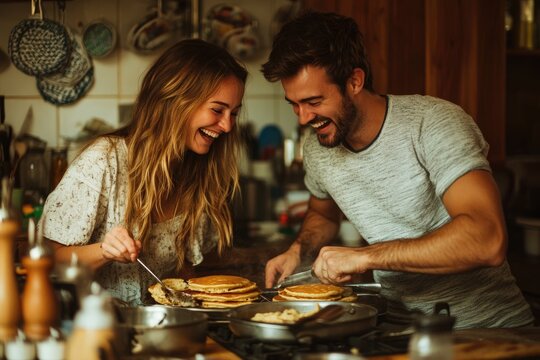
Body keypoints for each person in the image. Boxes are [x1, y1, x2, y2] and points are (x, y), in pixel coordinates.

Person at [262, 11, 533, 329]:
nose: (303, 118)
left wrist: (366, 256)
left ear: (354, 81)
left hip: (490, 331)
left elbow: (487, 238)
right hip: (402, 331)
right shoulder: (317, 148)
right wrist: (298, 251)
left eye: (314, 101)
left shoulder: (432, 123)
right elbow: (323, 215)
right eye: (293, 104)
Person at [40, 39, 247, 305]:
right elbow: (45, 261)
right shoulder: (104, 161)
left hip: (163, 331)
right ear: (174, 101)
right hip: (94, 331)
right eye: (218, 110)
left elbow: (184, 274)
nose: (227, 126)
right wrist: (104, 250)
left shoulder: (199, 172)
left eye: (234, 114)